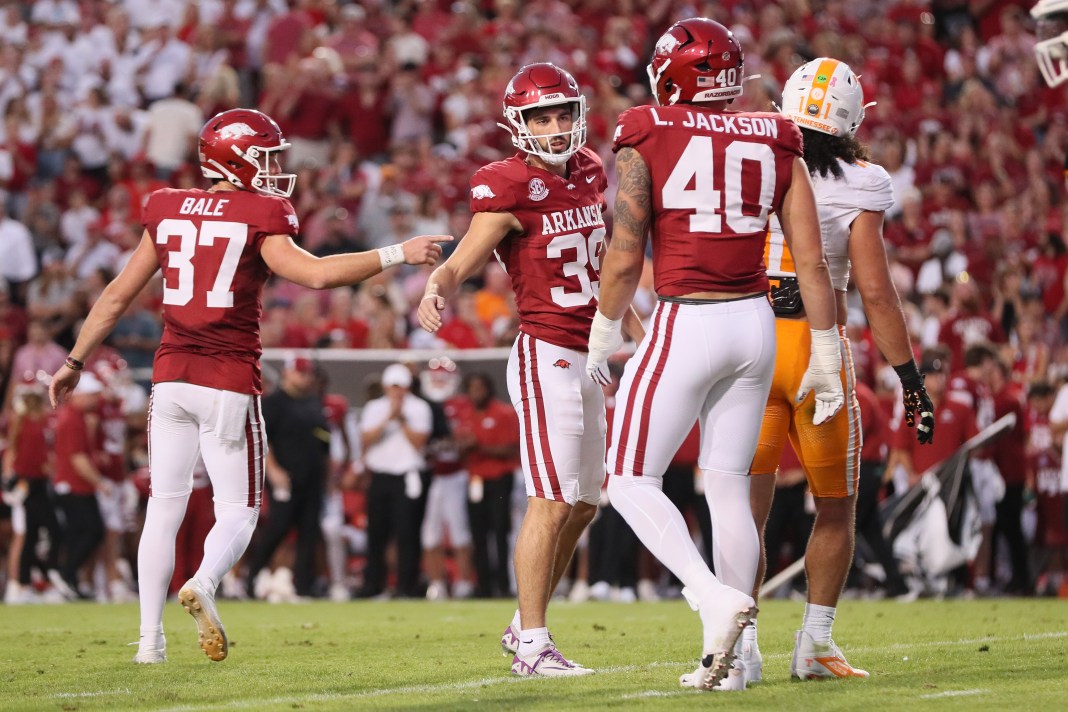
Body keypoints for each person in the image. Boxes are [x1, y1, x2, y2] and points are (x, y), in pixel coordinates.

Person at [48, 108, 449, 664]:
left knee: (164, 508)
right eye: (264, 156)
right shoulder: (260, 211)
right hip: (227, 378)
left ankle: (148, 644)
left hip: (170, 378)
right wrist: (397, 253)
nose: (273, 167)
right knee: (239, 509)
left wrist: (74, 361)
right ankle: (206, 583)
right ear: (232, 156)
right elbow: (315, 274)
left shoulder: (166, 207)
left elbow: (117, 296)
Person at [585, 19, 845, 692]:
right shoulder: (776, 133)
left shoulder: (648, 128)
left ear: (673, 76)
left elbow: (624, 250)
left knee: (629, 480)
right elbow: (811, 261)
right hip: (757, 324)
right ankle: (740, 659)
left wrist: (606, 327)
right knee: (727, 488)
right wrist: (822, 347)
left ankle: (710, 594)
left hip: (686, 318)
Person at [417, 62, 642, 676]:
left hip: (592, 352)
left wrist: (639, 331)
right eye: (541, 116)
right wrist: (436, 286)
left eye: (563, 113)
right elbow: (461, 260)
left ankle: (523, 625)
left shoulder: (591, 171)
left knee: (587, 502)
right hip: (548, 355)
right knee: (549, 499)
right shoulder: (506, 185)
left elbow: (606, 270)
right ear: (519, 124)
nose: (554, 126)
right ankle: (536, 642)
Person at [746, 58, 936, 682]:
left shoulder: (750, 156)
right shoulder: (863, 180)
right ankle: (815, 644)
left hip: (743, 342)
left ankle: (737, 643)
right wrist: (910, 379)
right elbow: (877, 294)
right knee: (835, 505)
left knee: (743, 505)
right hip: (814, 346)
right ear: (854, 118)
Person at [244, 355, 331, 599]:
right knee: (278, 528)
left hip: (313, 478)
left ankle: (303, 586)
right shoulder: (274, 403)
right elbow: (263, 439)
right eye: (300, 372)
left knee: (309, 531)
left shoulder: (314, 402)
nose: (305, 377)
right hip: (286, 477)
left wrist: (328, 474)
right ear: (288, 373)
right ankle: (251, 577)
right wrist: (273, 470)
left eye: (307, 373)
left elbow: (324, 439)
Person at [357, 362, 433, 599]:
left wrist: (401, 420)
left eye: (401, 387)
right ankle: (373, 584)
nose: (397, 391)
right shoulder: (374, 408)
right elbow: (366, 440)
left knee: (407, 533)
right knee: (376, 533)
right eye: (393, 387)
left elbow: (419, 442)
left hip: (407, 477)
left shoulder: (420, 408)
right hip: (380, 476)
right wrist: (388, 418)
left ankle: (406, 586)